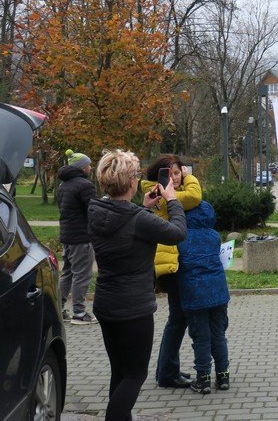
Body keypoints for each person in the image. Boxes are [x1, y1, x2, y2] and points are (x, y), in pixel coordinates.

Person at [88, 149, 186, 421]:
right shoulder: (138, 219)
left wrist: (144, 206)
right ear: (131, 181)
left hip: (106, 304)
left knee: (120, 372)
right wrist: (172, 200)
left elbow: (124, 226)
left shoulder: (96, 210)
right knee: (134, 376)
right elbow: (177, 233)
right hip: (133, 309)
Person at [141, 155, 201, 389]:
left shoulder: (157, 192)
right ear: (159, 176)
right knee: (178, 318)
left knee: (177, 317)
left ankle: (166, 369)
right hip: (168, 264)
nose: (174, 178)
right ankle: (167, 372)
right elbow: (194, 196)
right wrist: (189, 176)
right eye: (170, 174)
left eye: (177, 173)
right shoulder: (162, 194)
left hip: (171, 261)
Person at [177, 200, 230, 394]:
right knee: (219, 335)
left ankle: (203, 379)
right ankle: (223, 376)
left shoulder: (181, 237)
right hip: (218, 292)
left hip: (195, 295)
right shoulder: (214, 236)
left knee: (201, 338)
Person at [56, 148, 98, 324]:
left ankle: (58, 309)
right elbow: (93, 210)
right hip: (81, 237)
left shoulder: (62, 186)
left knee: (67, 273)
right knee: (82, 274)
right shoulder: (85, 185)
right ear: (82, 167)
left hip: (67, 235)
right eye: (89, 165)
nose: (91, 167)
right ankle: (79, 313)